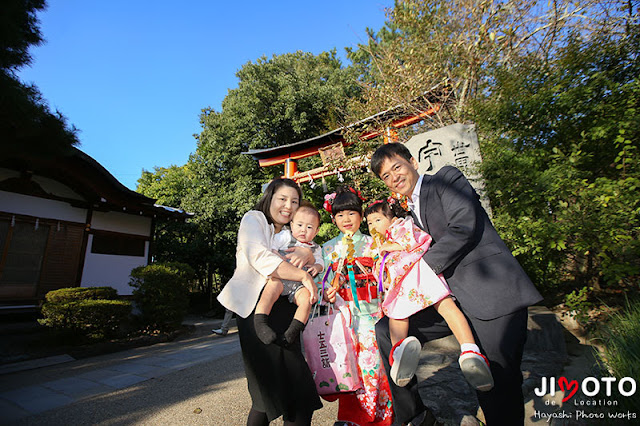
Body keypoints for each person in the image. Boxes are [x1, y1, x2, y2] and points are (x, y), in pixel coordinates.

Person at [370, 143, 543, 426]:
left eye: (396, 167)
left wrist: (420, 268)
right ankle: (417, 416)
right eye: (386, 176)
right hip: (451, 298)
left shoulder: (446, 179)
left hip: (489, 292)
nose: (393, 178)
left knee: (496, 380)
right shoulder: (408, 216)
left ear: (412, 161)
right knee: (386, 330)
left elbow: (463, 226)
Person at [217, 178, 322, 426]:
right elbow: (259, 256)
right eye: (282, 199)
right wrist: (302, 274)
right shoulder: (254, 219)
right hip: (257, 309)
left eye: (294, 201)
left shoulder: (292, 234)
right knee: (269, 394)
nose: (288, 205)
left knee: (291, 393)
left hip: (286, 309)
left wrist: (308, 255)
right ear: (269, 198)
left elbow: (314, 256)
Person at [364, 199, 493, 391]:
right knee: (397, 315)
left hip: (420, 274)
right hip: (400, 287)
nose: (373, 226)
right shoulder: (379, 243)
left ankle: (470, 350)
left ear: (392, 218)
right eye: (369, 223)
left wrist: (395, 246)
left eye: (377, 220)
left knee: (446, 306)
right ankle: (399, 352)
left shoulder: (403, 226)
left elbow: (419, 240)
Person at [321, 187, 394, 426]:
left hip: (372, 311)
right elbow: (322, 280)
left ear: (361, 216)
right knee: (348, 364)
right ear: (333, 219)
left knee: (372, 363)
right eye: (340, 215)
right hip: (343, 315)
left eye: (351, 213)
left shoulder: (374, 243)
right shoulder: (328, 248)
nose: (346, 220)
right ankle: (351, 416)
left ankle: (377, 416)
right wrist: (328, 289)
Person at [254, 201, 324, 345]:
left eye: (309, 227)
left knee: (307, 299)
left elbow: (321, 262)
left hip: (299, 286)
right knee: (270, 292)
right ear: (291, 225)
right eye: (299, 225)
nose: (303, 230)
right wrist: (276, 255)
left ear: (316, 231)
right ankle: (260, 322)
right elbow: (271, 247)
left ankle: (293, 331)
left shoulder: (316, 248)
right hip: (281, 278)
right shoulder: (286, 236)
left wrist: (317, 266)